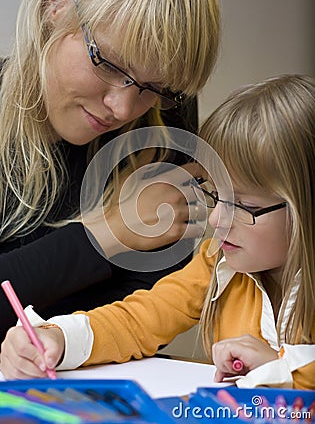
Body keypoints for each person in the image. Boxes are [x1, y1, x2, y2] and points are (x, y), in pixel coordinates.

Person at [3, 74, 314, 390]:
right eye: (216, 196)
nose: (216, 218)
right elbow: (137, 322)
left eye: (244, 205)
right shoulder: (214, 264)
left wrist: (285, 371)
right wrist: (58, 338)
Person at [0, 0, 220, 340]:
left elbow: (143, 321)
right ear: (57, 5)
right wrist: (110, 233)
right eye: (110, 65)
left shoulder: (163, 130)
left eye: (155, 88)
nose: (122, 109)